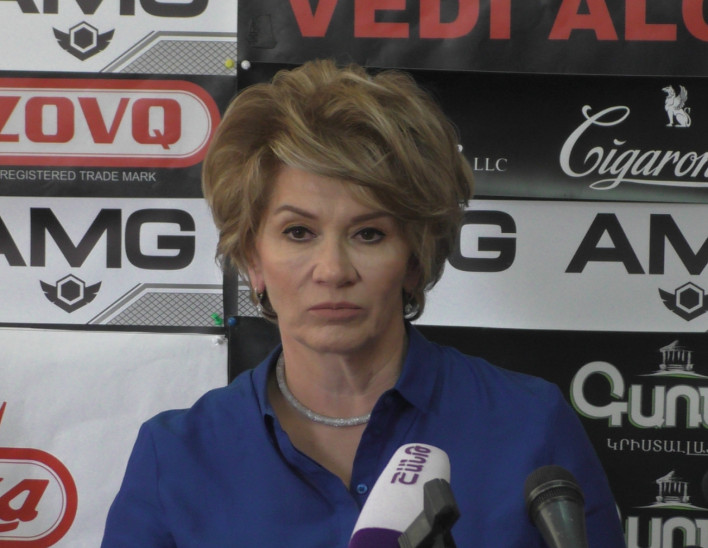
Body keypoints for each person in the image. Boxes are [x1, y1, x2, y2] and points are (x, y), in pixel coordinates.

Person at [101, 59, 626, 547]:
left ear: (415, 258)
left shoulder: (531, 425)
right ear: (253, 260)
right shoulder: (175, 458)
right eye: (298, 232)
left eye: (369, 234)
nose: (333, 271)